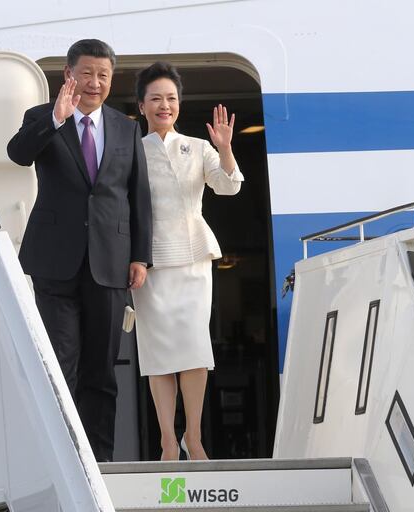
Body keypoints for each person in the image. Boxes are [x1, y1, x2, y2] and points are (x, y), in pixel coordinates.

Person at [6, 39, 152, 462]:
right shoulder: (42, 117)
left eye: (103, 75)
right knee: (60, 366)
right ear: (69, 75)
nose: (95, 82)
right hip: (55, 262)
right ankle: (59, 459)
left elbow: (137, 196)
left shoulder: (126, 127)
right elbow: (17, 154)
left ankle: (99, 463)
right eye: (86, 73)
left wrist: (140, 255)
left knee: (101, 373)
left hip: (110, 264)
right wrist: (56, 118)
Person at [132, 62, 243, 461]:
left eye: (172, 98)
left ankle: (192, 437)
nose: (165, 105)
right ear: (141, 105)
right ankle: (166, 439)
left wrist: (226, 148)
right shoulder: (129, 149)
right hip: (150, 263)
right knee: (159, 355)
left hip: (195, 257)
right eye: (156, 98)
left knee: (195, 349)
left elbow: (228, 187)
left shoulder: (198, 146)